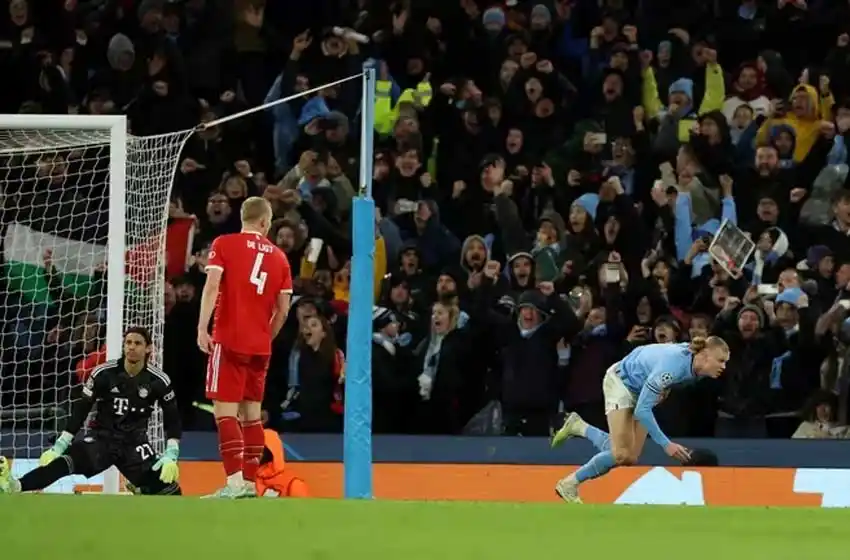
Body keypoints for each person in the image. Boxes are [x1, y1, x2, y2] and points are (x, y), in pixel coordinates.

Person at [0, 327, 182, 495]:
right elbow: (81, 409)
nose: (131, 347)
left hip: (135, 444)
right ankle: (16, 485)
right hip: (103, 440)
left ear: (148, 348)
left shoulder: (159, 381)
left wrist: (171, 455)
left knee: (171, 490)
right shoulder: (104, 374)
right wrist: (60, 445)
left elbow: (173, 418)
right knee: (64, 463)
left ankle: (143, 489)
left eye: (137, 343)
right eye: (128, 342)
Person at [550, 336, 730, 503]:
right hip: (621, 383)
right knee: (621, 454)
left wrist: (660, 387)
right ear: (705, 355)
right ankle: (569, 483)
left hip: (640, 386)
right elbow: (643, 410)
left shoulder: (693, 363)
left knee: (630, 457)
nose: (724, 367)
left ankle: (580, 427)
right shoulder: (674, 366)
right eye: (721, 360)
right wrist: (666, 444)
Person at [197, 196, 293, 498]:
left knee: (224, 413)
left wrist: (202, 326)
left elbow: (212, 286)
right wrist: (267, 335)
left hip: (229, 338)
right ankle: (251, 483)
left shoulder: (224, 244)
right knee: (252, 414)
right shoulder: (280, 257)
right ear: (265, 222)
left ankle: (234, 483)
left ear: (244, 217)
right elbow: (284, 309)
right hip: (259, 346)